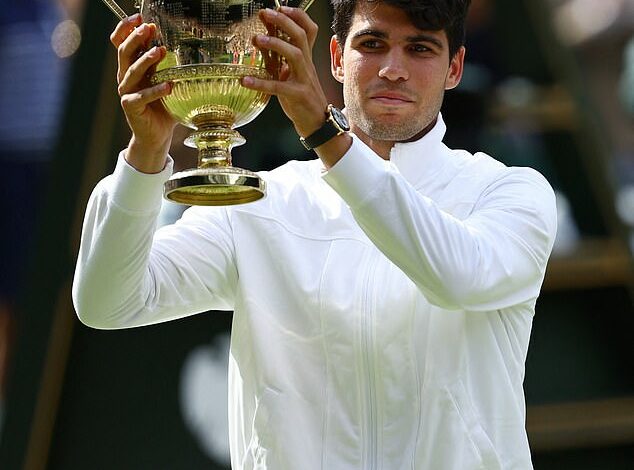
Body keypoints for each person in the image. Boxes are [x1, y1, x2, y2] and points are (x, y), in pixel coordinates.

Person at [73, 0, 557, 468]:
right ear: (335, 60)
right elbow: (106, 302)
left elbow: (457, 278)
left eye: (420, 49)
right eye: (372, 43)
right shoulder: (264, 202)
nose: (392, 68)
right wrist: (147, 150)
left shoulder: (511, 193)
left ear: (455, 69)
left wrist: (326, 135)